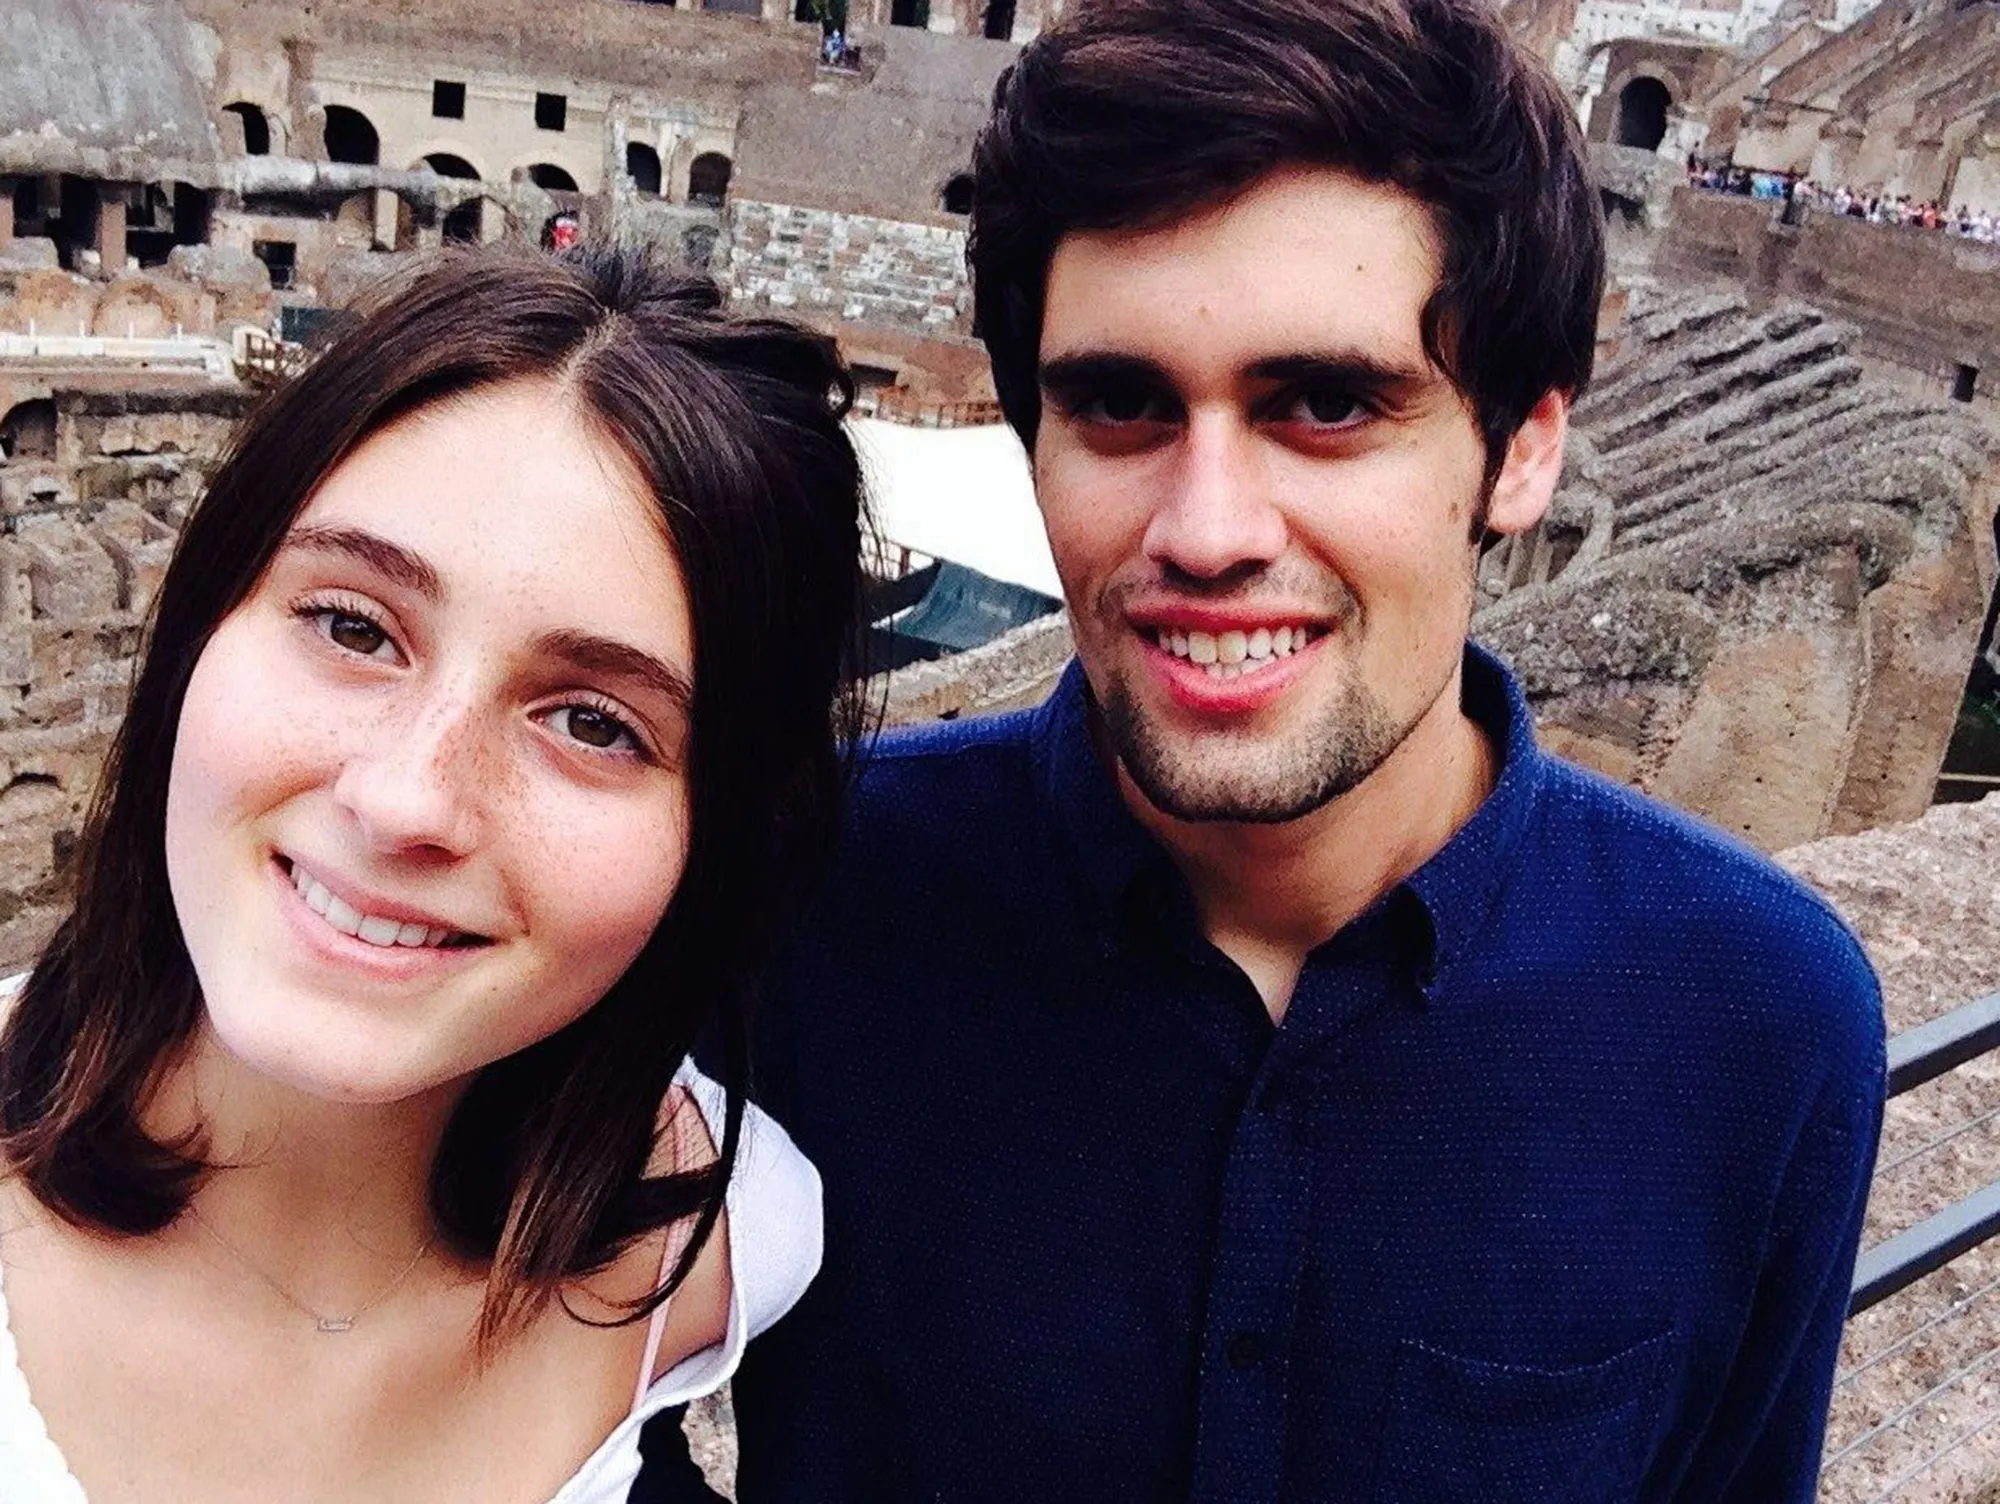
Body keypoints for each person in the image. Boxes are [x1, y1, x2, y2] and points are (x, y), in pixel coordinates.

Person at [633, 0, 1888, 1499]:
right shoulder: (793, 894)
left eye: (1329, 404)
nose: (1207, 530)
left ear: (1521, 450)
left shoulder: (1757, 1021)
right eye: (1118, 403)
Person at [0, 246, 865, 1501]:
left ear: (717, 833)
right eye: (352, 626)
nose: (406, 798)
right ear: (199, 624)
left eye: (592, 723)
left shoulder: (724, 1240)